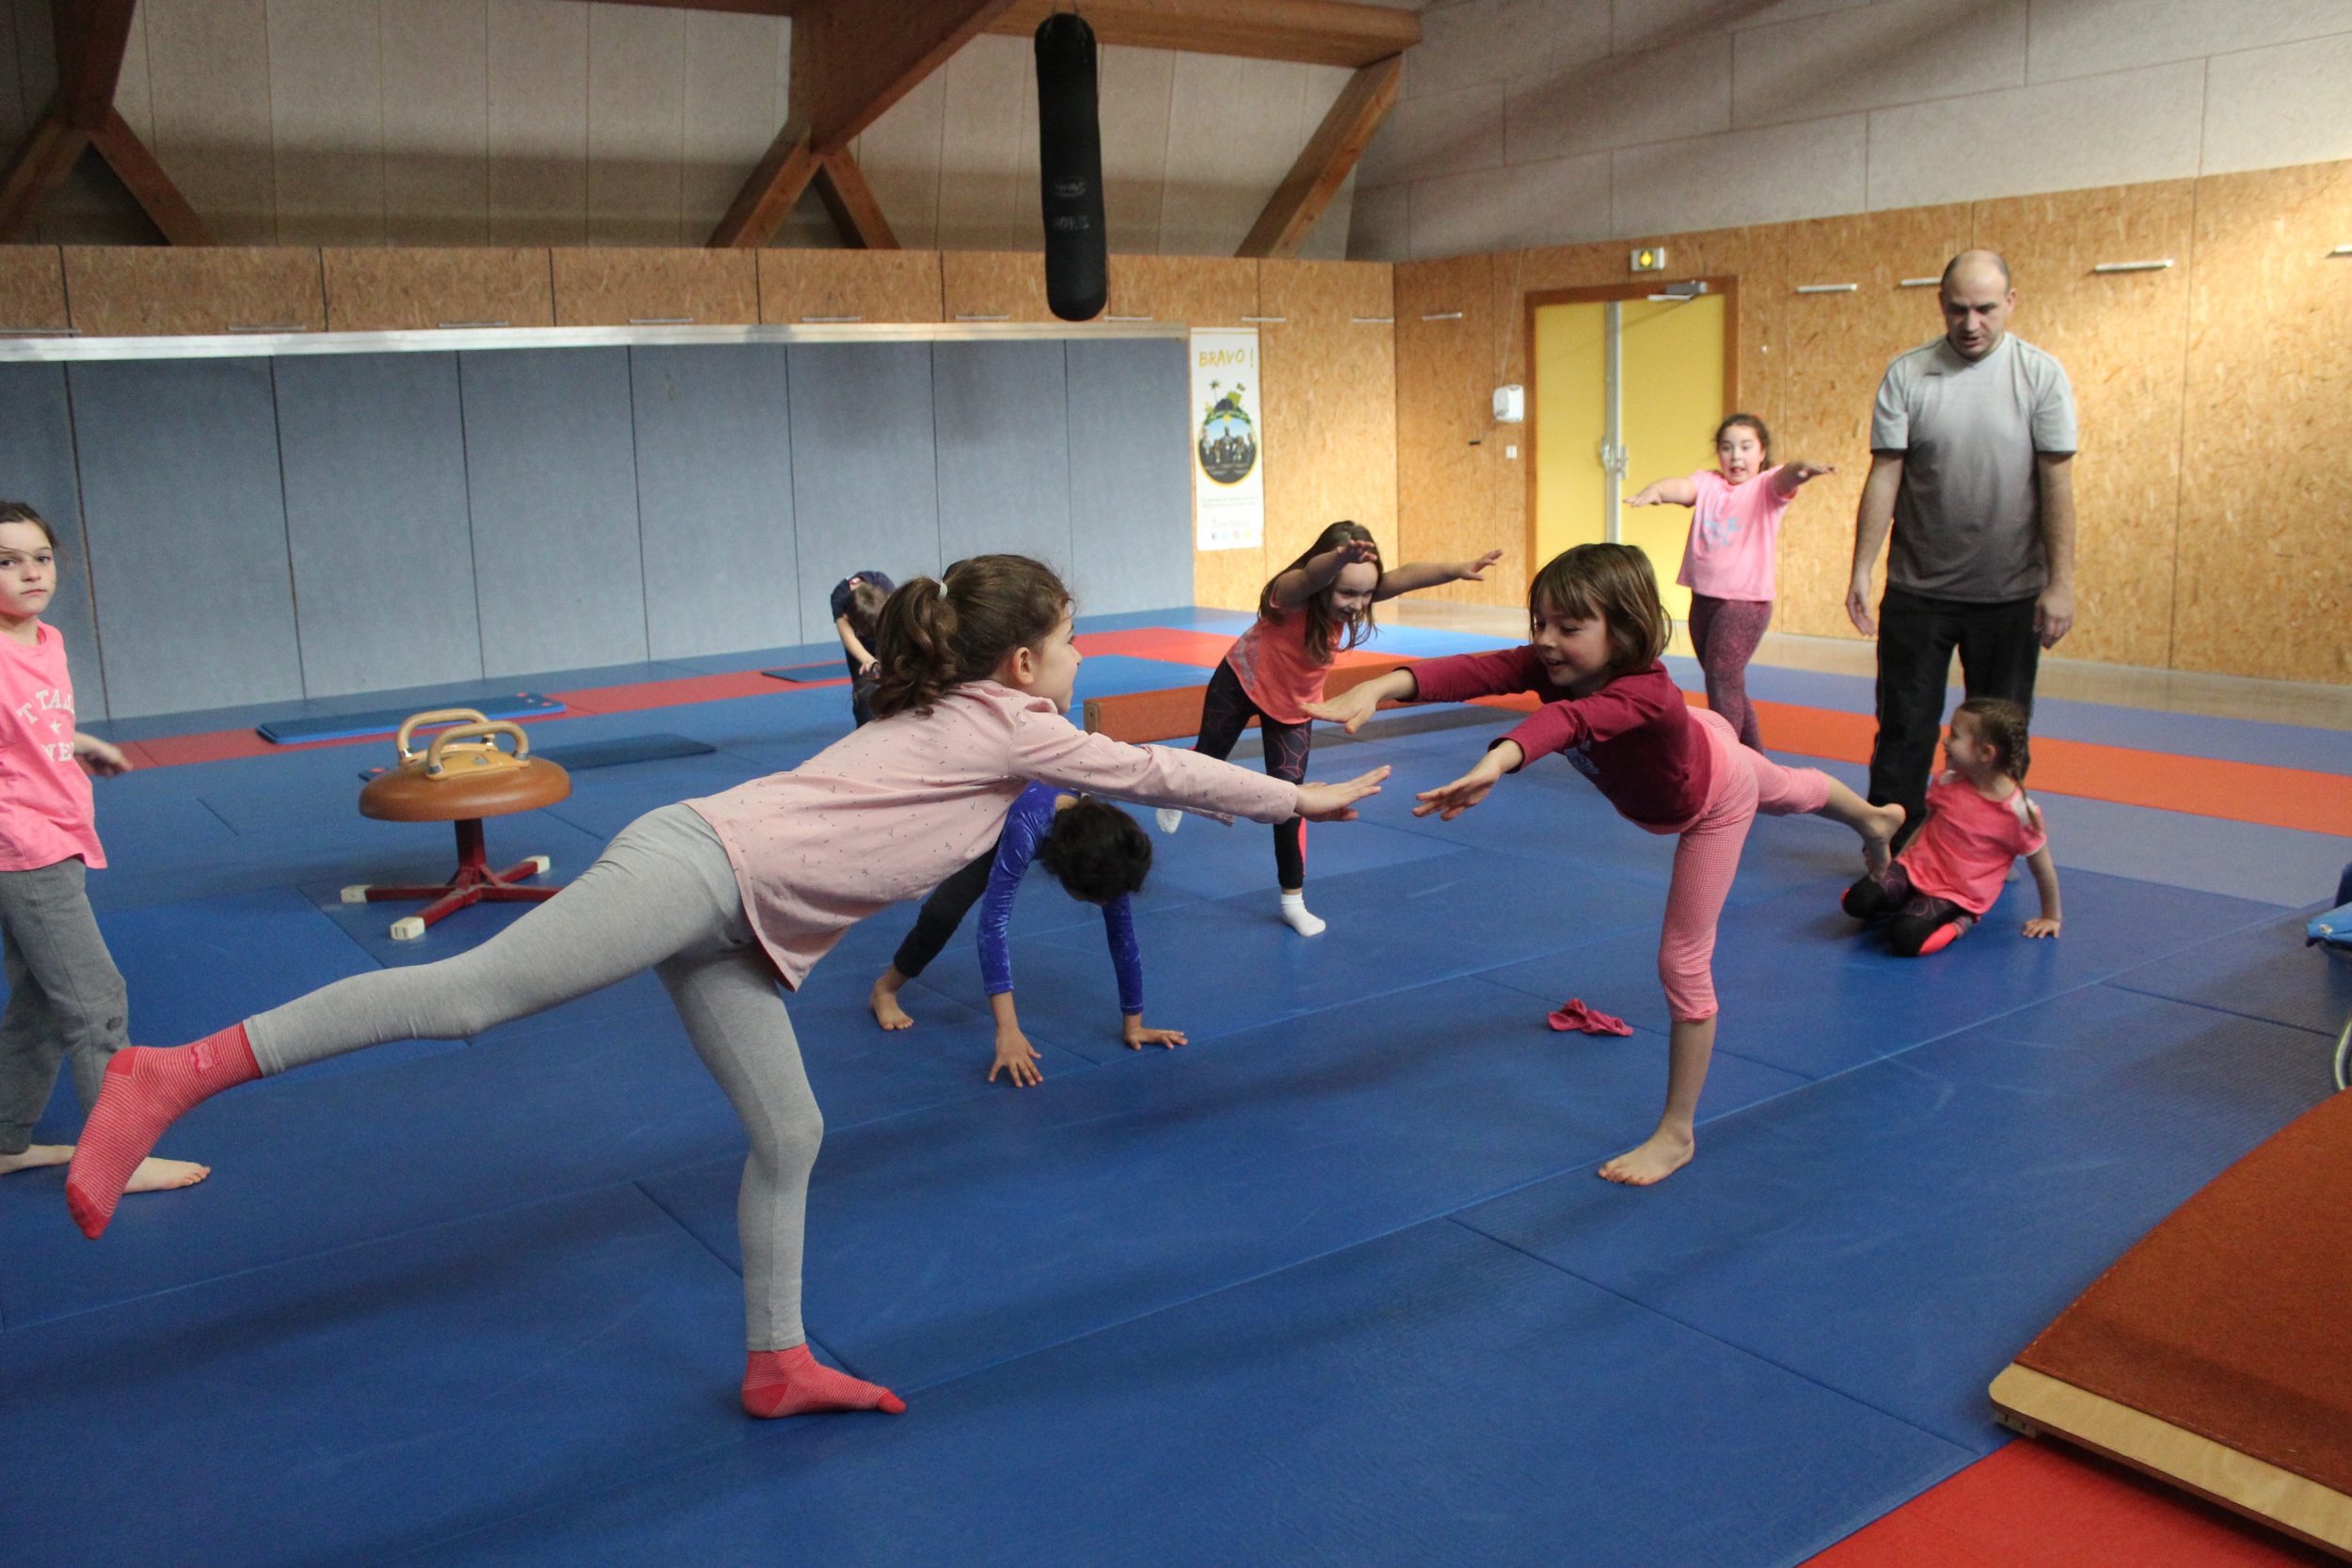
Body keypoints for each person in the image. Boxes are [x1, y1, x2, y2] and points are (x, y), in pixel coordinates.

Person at [63, 555, 1388, 1422]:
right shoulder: (1014, 723)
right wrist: (1305, 789)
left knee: (794, 1130)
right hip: (697, 867)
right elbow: (1162, 774)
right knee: (468, 998)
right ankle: (168, 1070)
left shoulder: (948, 708)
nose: (1080, 657)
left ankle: (774, 1356)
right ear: (1029, 664)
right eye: (1073, 640)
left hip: (746, 925)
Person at [1312, 543, 1902, 1187]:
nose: (1547, 641)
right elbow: (1473, 671)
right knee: (1787, 787)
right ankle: (1874, 819)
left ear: (1624, 629)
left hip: (1710, 796)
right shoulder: (1555, 667)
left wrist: (1500, 758)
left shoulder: (1646, 692)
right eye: (1540, 623)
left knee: (1687, 951)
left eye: (1569, 627)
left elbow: (1569, 721)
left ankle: (1676, 1134)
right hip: (1700, 739)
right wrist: (1380, 683)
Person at [0, 502, 209, 1198]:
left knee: (39, 1000)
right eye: (6, 561)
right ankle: (116, 1154)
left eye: (40, 555)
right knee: (96, 1001)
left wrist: (79, 744)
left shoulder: (45, 640)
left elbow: (34, 729)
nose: (30, 571)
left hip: (59, 832)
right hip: (23, 849)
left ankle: (4, 1140)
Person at [1161, 520, 1502, 938]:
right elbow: (1309, 575)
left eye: (1365, 593)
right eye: (1347, 592)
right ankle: (1171, 793)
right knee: (1209, 757)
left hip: (1297, 705)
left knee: (1292, 800)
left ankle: (1292, 901)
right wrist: (1338, 559)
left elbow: (1404, 577)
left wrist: (1456, 569)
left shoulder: (1358, 594)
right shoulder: (1290, 594)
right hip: (1242, 677)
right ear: (1325, 581)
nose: (1359, 604)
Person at [1847, 249, 2077, 847]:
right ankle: (1891, 850)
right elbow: (1884, 476)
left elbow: (2057, 484)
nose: (1970, 324)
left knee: (1997, 736)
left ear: (2011, 303)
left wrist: (2062, 582)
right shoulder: (1908, 374)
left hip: (2010, 594)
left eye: (1985, 309)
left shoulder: (2040, 375)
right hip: (1919, 591)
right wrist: (1863, 569)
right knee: (1904, 728)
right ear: (1940, 306)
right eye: (1957, 309)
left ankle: (1982, 847)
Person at [1625, 413, 1833, 751]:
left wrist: (1802, 469)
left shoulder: (1765, 487)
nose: (1736, 456)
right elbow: (1682, 488)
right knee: (1726, 682)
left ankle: (1725, 758)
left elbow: (1786, 477)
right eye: (1727, 447)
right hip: (1704, 599)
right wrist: (1657, 490)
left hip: (1745, 603)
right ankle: (1755, 761)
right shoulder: (1708, 483)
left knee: (1722, 677)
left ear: (1762, 452)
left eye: (1746, 447)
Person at [976, 788, 1179, 1087]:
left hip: (1049, 813)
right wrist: (1007, 1029)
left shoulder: (1108, 845)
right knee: (944, 913)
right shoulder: (1026, 828)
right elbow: (992, 926)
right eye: (1097, 899)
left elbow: (1123, 936)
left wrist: (1134, 1025)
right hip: (985, 815)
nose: (1104, 905)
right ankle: (886, 988)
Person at [1842, 697, 2059, 955]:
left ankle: (1961, 921)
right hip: (1916, 871)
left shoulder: (2019, 813)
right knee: (1856, 902)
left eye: (1954, 736)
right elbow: (1926, 825)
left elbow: (2043, 870)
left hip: (1956, 893)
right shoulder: (1946, 782)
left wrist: (2051, 916)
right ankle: (1907, 901)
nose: (1946, 741)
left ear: (1985, 753)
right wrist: (1897, 863)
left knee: (1905, 937)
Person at [832, 571, 893, 727]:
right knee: (863, 683)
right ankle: (865, 727)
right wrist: (867, 659)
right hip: (859, 642)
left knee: (895, 674)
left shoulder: (883, 584)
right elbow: (848, 636)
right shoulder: (840, 597)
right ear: (847, 617)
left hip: (887, 631)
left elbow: (897, 619)